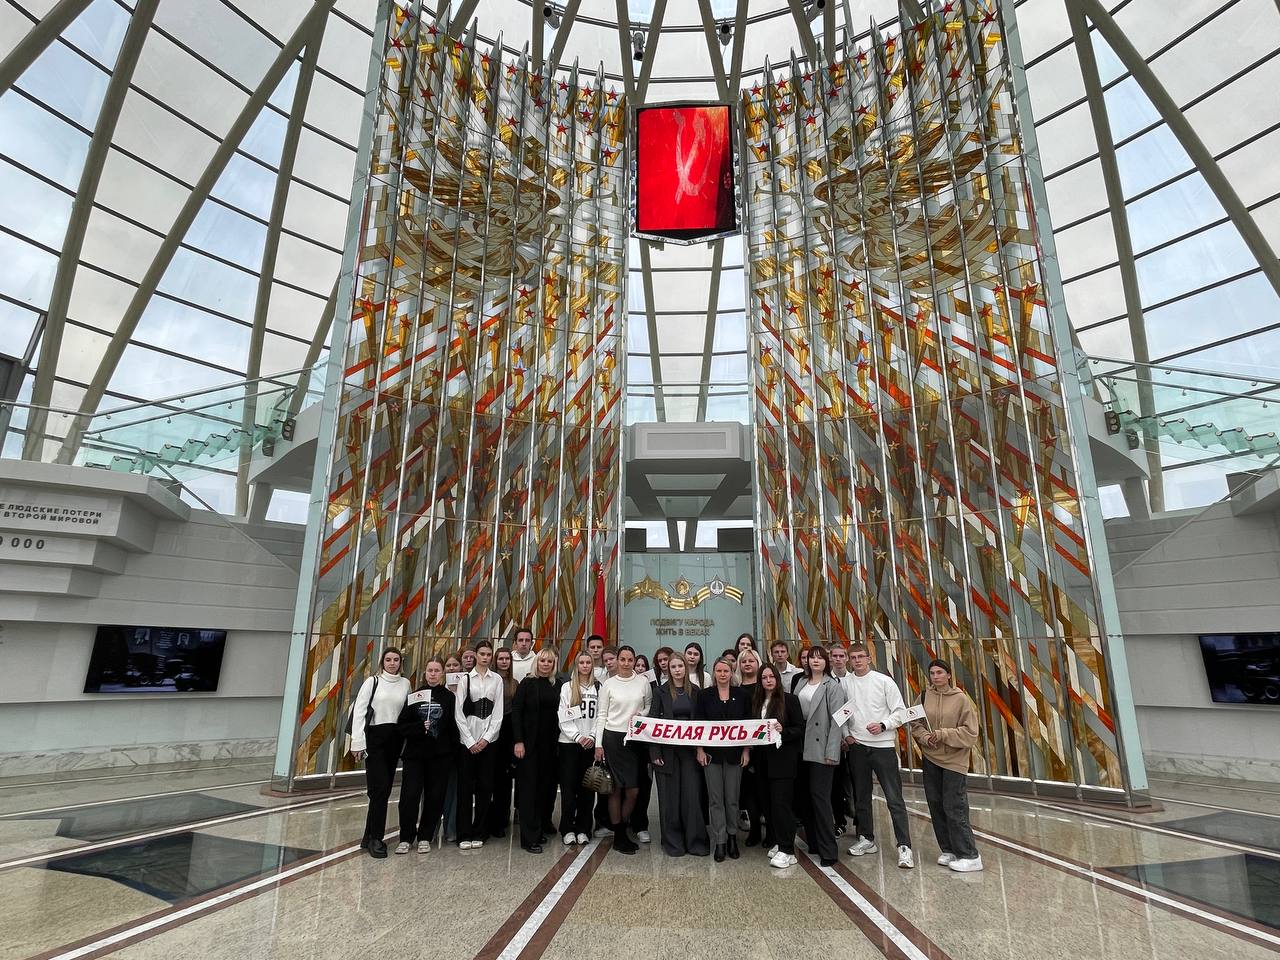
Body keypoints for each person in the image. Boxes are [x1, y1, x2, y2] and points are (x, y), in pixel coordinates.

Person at [844, 642, 913, 868]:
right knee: (861, 796)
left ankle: (904, 846)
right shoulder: (845, 683)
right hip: (858, 747)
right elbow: (841, 713)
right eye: (853, 657)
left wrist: (884, 725)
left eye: (860, 656)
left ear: (869, 658)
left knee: (894, 798)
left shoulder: (884, 681)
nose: (857, 661)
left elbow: (900, 712)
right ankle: (866, 838)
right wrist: (847, 735)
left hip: (883, 747)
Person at [911, 658, 983, 872]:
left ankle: (969, 855)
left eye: (940, 673)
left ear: (949, 675)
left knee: (954, 806)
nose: (936, 677)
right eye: (932, 673)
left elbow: (971, 733)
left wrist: (943, 734)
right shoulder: (924, 696)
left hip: (954, 761)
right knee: (936, 804)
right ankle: (949, 849)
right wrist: (925, 737)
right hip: (931, 758)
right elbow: (915, 723)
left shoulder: (960, 699)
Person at [350, 648, 411, 858]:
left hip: (395, 739)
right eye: (388, 659)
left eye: (396, 660)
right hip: (375, 738)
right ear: (382, 662)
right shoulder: (372, 682)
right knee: (380, 788)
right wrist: (357, 743)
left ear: (400, 662)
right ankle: (376, 838)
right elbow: (359, 711)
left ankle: (368, 836)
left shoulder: (405, 684)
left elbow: (406, 712)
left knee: (382, 790)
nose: (392, 663)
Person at [648, 652, 709, 857]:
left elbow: (701, 723)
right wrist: (654, 752)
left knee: (692, 797)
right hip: (667, 752)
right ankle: (673, 843)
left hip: (690, 752)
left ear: (685, 667)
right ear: (668, 669)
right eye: (673, 666)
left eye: (680, 666)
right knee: (670, 799)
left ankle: (696, 842)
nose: (677, 670)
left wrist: (701, 749)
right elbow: (653, 721)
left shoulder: (697, 691)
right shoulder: (660, 692)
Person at [593, 645, 653, 854]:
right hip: (613, 739)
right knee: (615, 788)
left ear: (634, 661)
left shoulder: (643, 682)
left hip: (634, 740)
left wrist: (640, 715)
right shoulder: (608, 684)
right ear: (617, 660)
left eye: (630, 660)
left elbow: (648, 706)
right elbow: (602, 715)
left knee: (633, 790)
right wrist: (598, 744)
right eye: (623, 659)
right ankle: (619, 834)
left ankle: (622, 824)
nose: (626, 663)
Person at [395, 657, 457, 854]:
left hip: (439, 756)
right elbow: (402, 725)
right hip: (415, 755)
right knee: (409, 796)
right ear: (425, 672)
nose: (433, 674)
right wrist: (419, 727)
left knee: (435, 796)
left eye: (437, 670)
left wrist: (452, 752)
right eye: (430, 670)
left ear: (442, 673)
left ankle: (425, 836)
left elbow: (453, 726)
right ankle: (406, 837)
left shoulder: (449, 697)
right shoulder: (415, 696)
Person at [795, 644, 846, 867]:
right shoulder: (801, 682)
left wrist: (832, 751)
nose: (815, 661)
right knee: (804, 798)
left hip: (822, 747)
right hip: (801, 746)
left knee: (820, 798)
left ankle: (829, 850)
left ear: (826, 662)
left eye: (820, 658)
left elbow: (837, 721)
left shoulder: (832, 686)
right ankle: (814, 843)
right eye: (812, 658)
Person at [696, 656, 750, 862]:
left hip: (735, 755)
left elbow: (749, 725)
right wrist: (699, 750)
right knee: (716, 799)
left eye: (726, 671)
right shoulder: (704, 695)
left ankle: (732, 837)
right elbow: (698, 724)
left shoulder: (742, 695)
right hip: (711, 756)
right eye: (718, 671)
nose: (722, 674)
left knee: (732, 799)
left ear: (731, 672)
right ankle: (720, 840)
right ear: (714, 673)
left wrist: (746, 751)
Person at [753, 664, 804, 868]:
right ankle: (777, 841)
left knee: (781, 805)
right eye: (764, 677)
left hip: (783, 762)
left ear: (777, 678)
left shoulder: (790, 700)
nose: (768, 680)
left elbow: (800, 728)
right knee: (768, 805)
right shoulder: (757, 702)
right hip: (762, 762)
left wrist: (784, 731)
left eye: (771, 676)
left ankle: (788, 850)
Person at [454, 639, 504, 849]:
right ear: (475, 655)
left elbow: (498, 712)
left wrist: (486, 739)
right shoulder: (465, 679)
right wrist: (469, 741)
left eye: (488, 654)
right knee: (465, 788)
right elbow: (458, 713)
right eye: (482, 654)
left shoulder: (497, 680)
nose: (485, 657)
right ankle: (464, 833)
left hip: (489, 742)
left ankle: (481, 831)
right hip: (467, 742)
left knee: (485, 787)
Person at [513, 648, 561, 853]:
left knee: (544, 789)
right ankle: (528, 837)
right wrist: (518, 741)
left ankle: (539, 828)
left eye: (550, 661)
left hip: (551, 746)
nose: (546, 664)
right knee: (528, 791)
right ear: (537, 662)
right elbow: (516, 712)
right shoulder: (527, 683)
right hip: (529, 746)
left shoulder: (558, 684)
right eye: (542, 661)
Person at [558, 652, 600, 845]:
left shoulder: (598, 687)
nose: (585, 665)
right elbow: (563, 716)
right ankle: (567, 829)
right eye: (581, 662)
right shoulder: (567, 687)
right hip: (569, 744)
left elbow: (600, 716)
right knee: (568, 789)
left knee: (587, 789)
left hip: (589, 745)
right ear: (576, 665)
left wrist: (591, 737)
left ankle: (583, 828)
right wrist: (577, 736)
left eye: (588, 662)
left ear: (592, 665)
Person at [487, 646, 519, 839]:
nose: (504, 661)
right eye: (501, 658)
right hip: (489, 728)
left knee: (504, 780)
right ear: (495, 661)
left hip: (507, 731)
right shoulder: (489, 680)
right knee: (490, 777)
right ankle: (488, 818)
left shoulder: (514, 683)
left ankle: (501, 819)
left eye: (507, 659)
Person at [735, 648, 762, 842]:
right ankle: (754, 830)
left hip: (763, 746)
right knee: (749, 790)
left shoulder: (764, 686)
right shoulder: (735, 688)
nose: (747, 664)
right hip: (742, 747)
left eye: (751, 661)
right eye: (743, 661)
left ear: (757, 663)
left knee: (764, 789)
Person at [828, 644, 855, 839]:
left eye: (841, 656)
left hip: (854, 738)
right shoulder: (826, 681)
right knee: (836, 784)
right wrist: (839, 737)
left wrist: (847, 735)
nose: (838, 659)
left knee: (856, 782)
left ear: (846, 658)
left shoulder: (854, 681)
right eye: (834, 656)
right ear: (830, 658)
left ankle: (860, 822)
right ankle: (839, 821)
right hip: (834, 740)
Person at [441, 652, 464, 841]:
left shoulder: (466, 689)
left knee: (455, 788)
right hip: (440, 746)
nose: (451, 668)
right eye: (448, 665)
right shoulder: (439, 691)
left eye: (455, 665)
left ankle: (451, 828)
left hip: (461, 744)